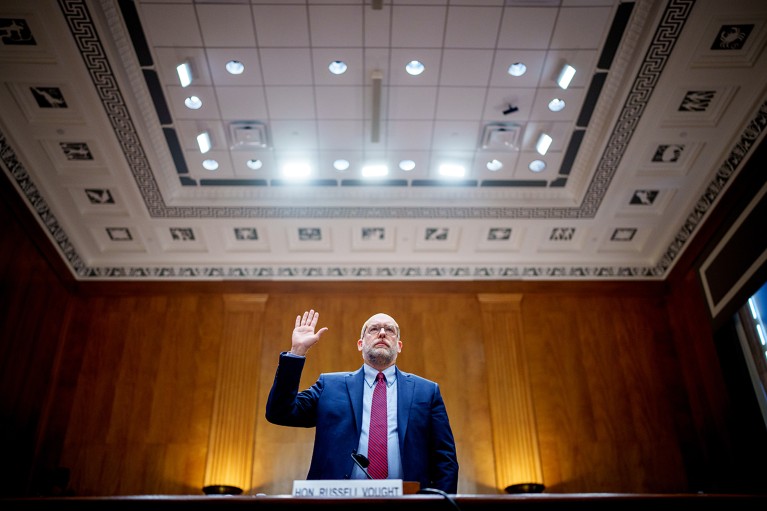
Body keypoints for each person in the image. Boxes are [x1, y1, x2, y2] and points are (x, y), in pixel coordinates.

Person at [265, 309, 459, 493]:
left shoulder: (426, 391)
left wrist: (439, 510)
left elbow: (445, 459)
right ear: (360, 344)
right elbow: (280, 412)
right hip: (335, 504)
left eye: (390, 330)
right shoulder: (330, 385)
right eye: (373, 329)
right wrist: (296, 352)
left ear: (399, 346)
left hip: (408, 506)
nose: (382, 333)